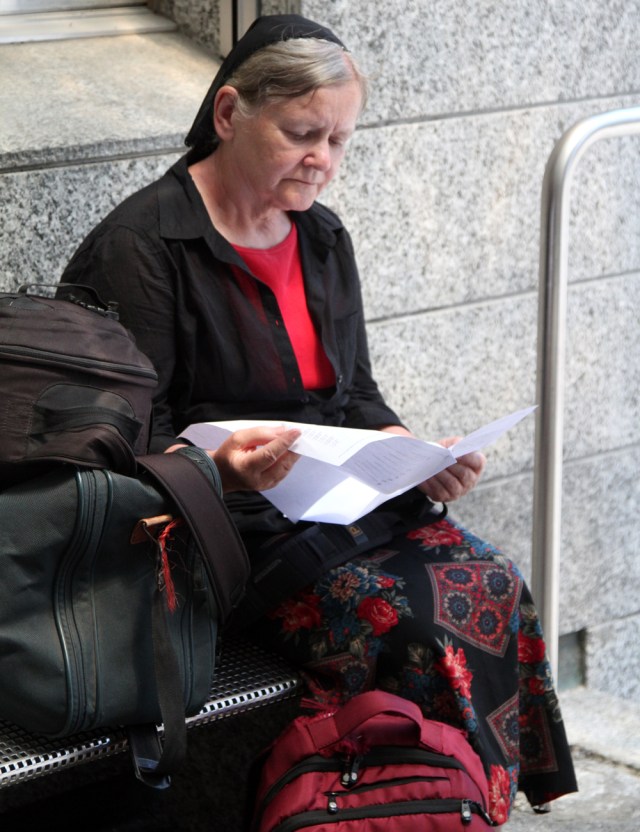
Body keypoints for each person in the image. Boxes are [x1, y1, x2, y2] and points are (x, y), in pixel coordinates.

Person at [61, 14, 577, 823]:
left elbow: (356, 397)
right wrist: (223, 468)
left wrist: (409, 448)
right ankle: (393, 808)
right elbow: (119, 440)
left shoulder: (323, 238)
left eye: (339, 141)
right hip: (227, 536)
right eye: (303, 133)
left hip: (343, 507)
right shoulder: (144, 248)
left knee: (494, 580)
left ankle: (459, 809)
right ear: (229, 114)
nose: (323, 161)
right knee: (412, 627)